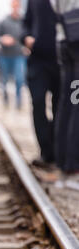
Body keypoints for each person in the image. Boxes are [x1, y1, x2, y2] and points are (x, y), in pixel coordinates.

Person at [22, 0, 60, 169]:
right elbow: (26, 22)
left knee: (61, 107)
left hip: (63, 60)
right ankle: (46, 152)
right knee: (38, 103)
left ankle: (58, 151)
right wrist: (26, 37)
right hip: (37, 61)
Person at [50, 0, 79, 175]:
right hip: (76, 40)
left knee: (68, 100)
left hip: (64, 39)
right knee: (76, 102)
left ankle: (62, 158)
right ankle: (73, 161)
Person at [0, 0, 26, 109]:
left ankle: (18, 101)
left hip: (18, 54)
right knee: (4, 79)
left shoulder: (23, 21)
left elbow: (27, 35)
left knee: (19, 79)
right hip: (5, 54)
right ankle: (5, 98)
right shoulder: (4, 21)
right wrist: (2, 39)